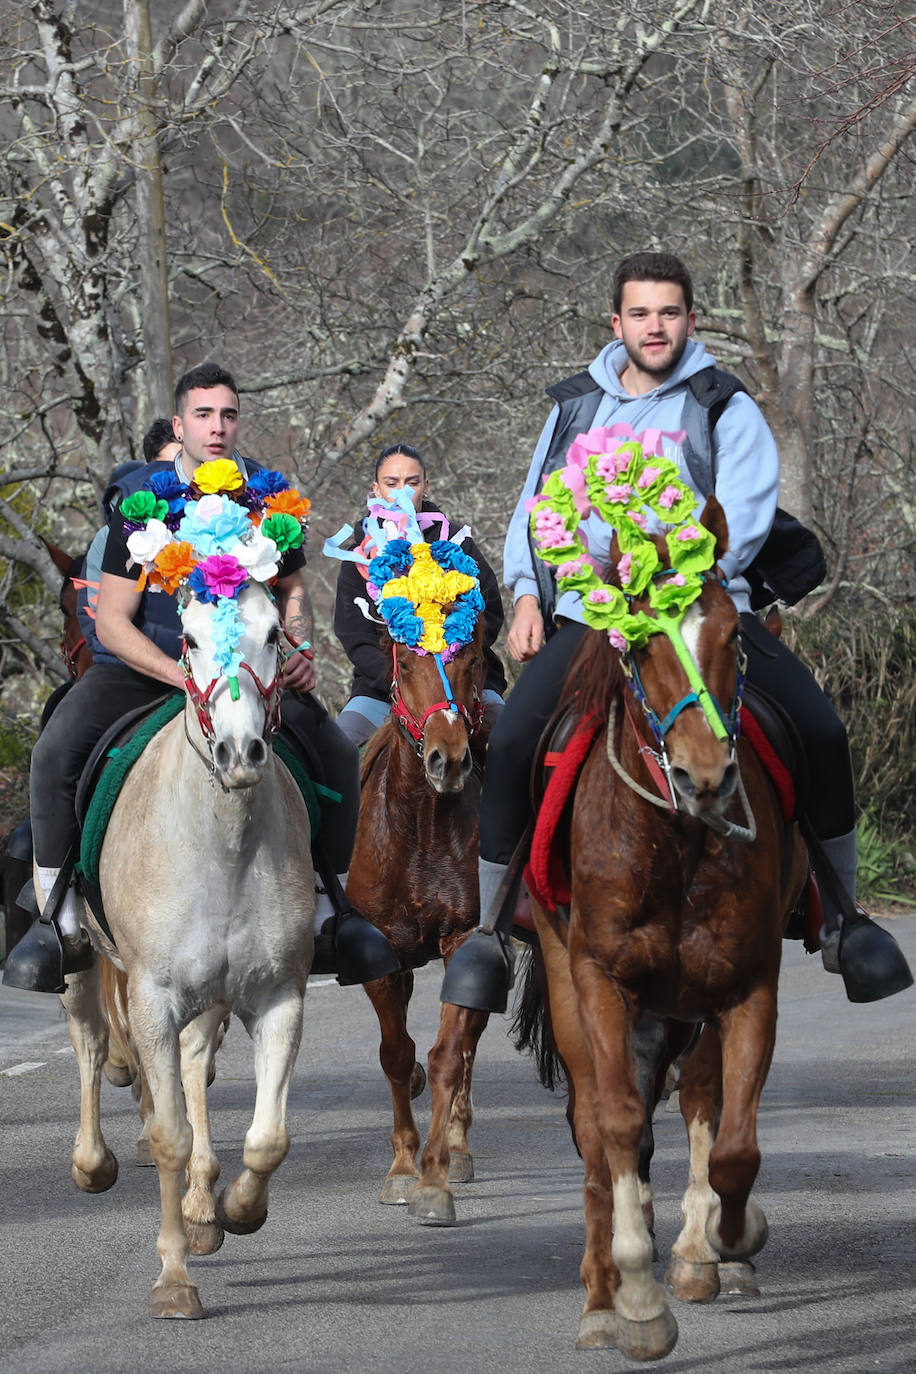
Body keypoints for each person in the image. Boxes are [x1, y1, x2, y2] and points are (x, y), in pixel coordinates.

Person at [442, 250, 912, 1012]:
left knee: (819, 729)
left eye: (668, 313)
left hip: (699, 604)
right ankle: (492, 930)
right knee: (520, 736)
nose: (654, 326)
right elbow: (537, 510)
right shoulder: (570, 407)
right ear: (616, 323)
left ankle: (843, 921)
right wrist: (528, 596)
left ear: (691, 320)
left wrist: (681, 579)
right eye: (640, 313)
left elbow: (747, 516)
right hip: (591, 615)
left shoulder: (724, 404)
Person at [5, 363, 392, 992]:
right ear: (180, 424)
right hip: (145, 669)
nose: (217, 427)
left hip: (243, 671)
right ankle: (57, 917)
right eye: (204, 415)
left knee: (336, 755)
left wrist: (300, 643)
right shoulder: (143, 504)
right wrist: (181, 674)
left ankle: (332, 909)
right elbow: (111, 622)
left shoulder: (268, 500)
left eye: (228, 414)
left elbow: (291, 589)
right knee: (53, 752)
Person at [334, 443, 507, 746]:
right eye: (392, 483)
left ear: (425, 487)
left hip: (466, 684)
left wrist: (454, 663)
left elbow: (490, 613)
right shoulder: (359, 558)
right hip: (382, 689)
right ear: (376, 489)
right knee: (339, 749)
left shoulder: (458, 545)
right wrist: (405, 679)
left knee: (514, 744)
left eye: (412, 483)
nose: (403, 492)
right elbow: (354, 636)